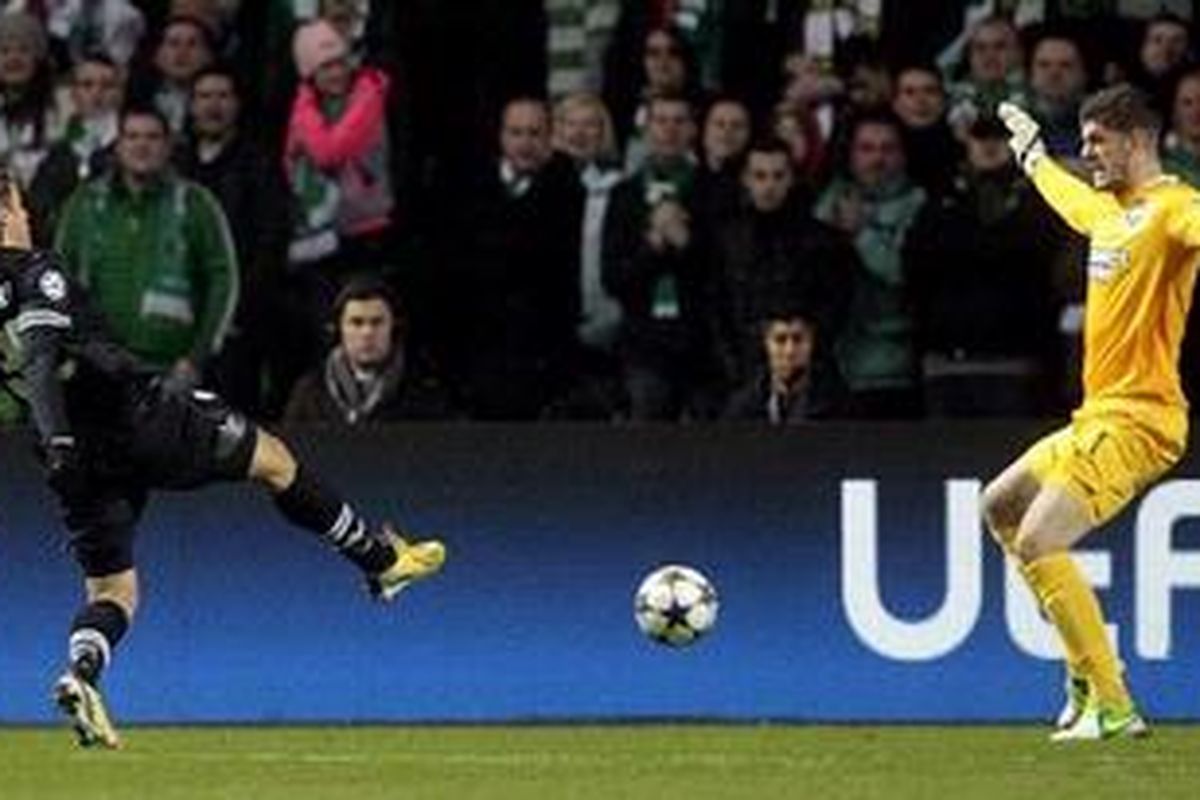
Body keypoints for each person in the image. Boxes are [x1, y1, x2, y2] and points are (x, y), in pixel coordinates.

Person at [0, 180, 445, 749]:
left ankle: (81, 675)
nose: (29, 217)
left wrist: (55, 446)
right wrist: (58, 437)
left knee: (112, 590)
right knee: (275, 462)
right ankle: (380, 560)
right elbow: (40, 361)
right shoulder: (36, 272)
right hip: (133, 420)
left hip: (75, 458)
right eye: (18, 204)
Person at [989, 84, 1200, 740]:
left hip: (1141, 418)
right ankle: (1085, 673)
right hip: (1096, 417)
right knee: (1000, 506)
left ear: (1137, 140)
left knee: (1038, 540)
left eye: (1095, 142)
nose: (1087, 154)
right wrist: (1031, 156)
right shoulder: (1109, 212)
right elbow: (1069, 197)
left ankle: (1112, 700)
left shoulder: (1174, 209)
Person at [283, 276, 453, 425]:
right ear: (338, 329)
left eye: (377, 322)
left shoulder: (423, 392)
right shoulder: (310, 393)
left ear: (393, 327)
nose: (367, 333)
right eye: (356, 322)